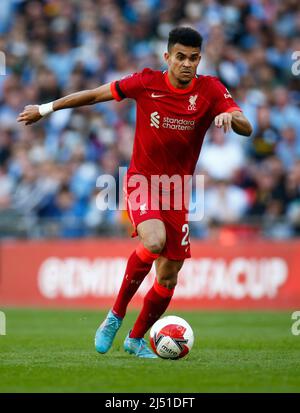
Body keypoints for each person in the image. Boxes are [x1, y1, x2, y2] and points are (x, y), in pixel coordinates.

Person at [17, 27, 252, 358]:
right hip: (142, 181)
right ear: (167, 57)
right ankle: (115, 315)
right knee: (153, 242)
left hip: (177, 192)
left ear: (200, 59)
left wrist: (230, 116)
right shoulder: (146, 82)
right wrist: (45, 109)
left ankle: (135, 338)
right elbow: (96, 94)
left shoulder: (211, 89)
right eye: (180, 57)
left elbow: (245, 124)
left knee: (168, 277)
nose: (187, 64)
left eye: (194, 58)